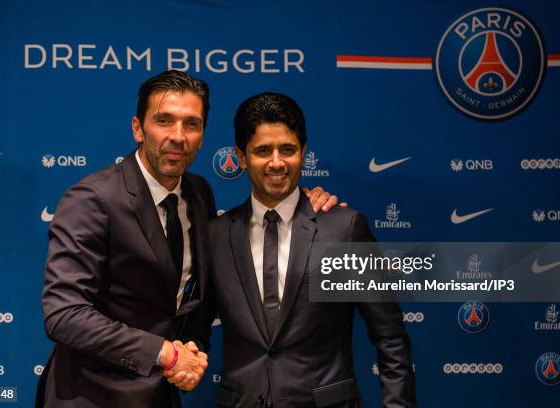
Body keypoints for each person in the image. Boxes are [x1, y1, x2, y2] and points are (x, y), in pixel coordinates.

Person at [37, 71, 339, 407]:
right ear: (138, 128)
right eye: (164, 120)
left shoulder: (198, 193)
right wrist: (164, 353)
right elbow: (64, 314)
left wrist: (302, 207)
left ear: (202, 135)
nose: (178, 136)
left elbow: (193, 295)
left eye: (191, 124)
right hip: (92, 396)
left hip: (161, 394)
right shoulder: (93, 199)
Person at [167, 92, 416, 407]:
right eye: (262, 151)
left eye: (288, 150)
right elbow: (197, 327)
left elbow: (390, 337)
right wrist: (184, 356)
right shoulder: (216, 236)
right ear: (241, 157)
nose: (276, 163)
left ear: (303, 152)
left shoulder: (344, 229)